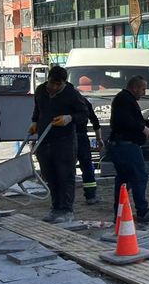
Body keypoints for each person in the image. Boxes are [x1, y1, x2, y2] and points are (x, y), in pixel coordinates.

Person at [29, 66, 88, 223]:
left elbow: (84, 114)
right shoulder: (41, 90)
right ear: (47, 80)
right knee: (50, 175)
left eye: (58, 84)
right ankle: (55, 208)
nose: (54, 87)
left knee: (65, 175)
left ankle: (67, 210)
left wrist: (69, 118)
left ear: (64, 82)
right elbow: (38, 108)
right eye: (52, 83)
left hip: (64, 141)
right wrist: (35, 122)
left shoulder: (72, 94)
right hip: (44, 139)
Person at [106, 75, 149, 227]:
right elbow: (124, 120)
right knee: (139, 177)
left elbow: (133, 119)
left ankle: (120, 213)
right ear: (134, 88)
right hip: (126, 145)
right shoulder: (124, 99)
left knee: (124, 180)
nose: (144, 92)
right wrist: (142, 128)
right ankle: (143, 212)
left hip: (121, 145)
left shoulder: (126, 99)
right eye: (143, 89)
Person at [76, 97, 103, 205]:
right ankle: (91, 196)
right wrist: (99, 139)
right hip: (81, 137)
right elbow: (95, 121)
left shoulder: (61, 100)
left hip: (65, 138)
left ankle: (63, 198)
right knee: (87, 166)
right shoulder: (83, 101)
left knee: (65, 167)